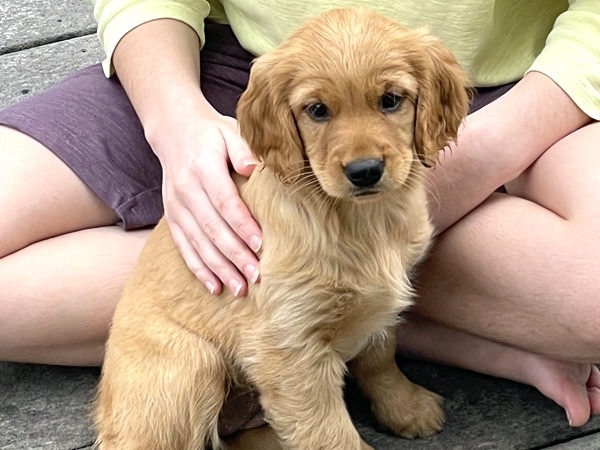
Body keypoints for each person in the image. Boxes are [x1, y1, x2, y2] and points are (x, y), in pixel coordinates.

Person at [1, 0, 599, 429]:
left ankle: (347, 319)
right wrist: (175, 122)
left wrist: (484, 151)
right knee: (269, 334)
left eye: (390, 101)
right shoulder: (279, 110)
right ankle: (387, 321)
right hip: (219, 64)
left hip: (528, 85)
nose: (361, 155)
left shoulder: (429, 86)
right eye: (322, 113)